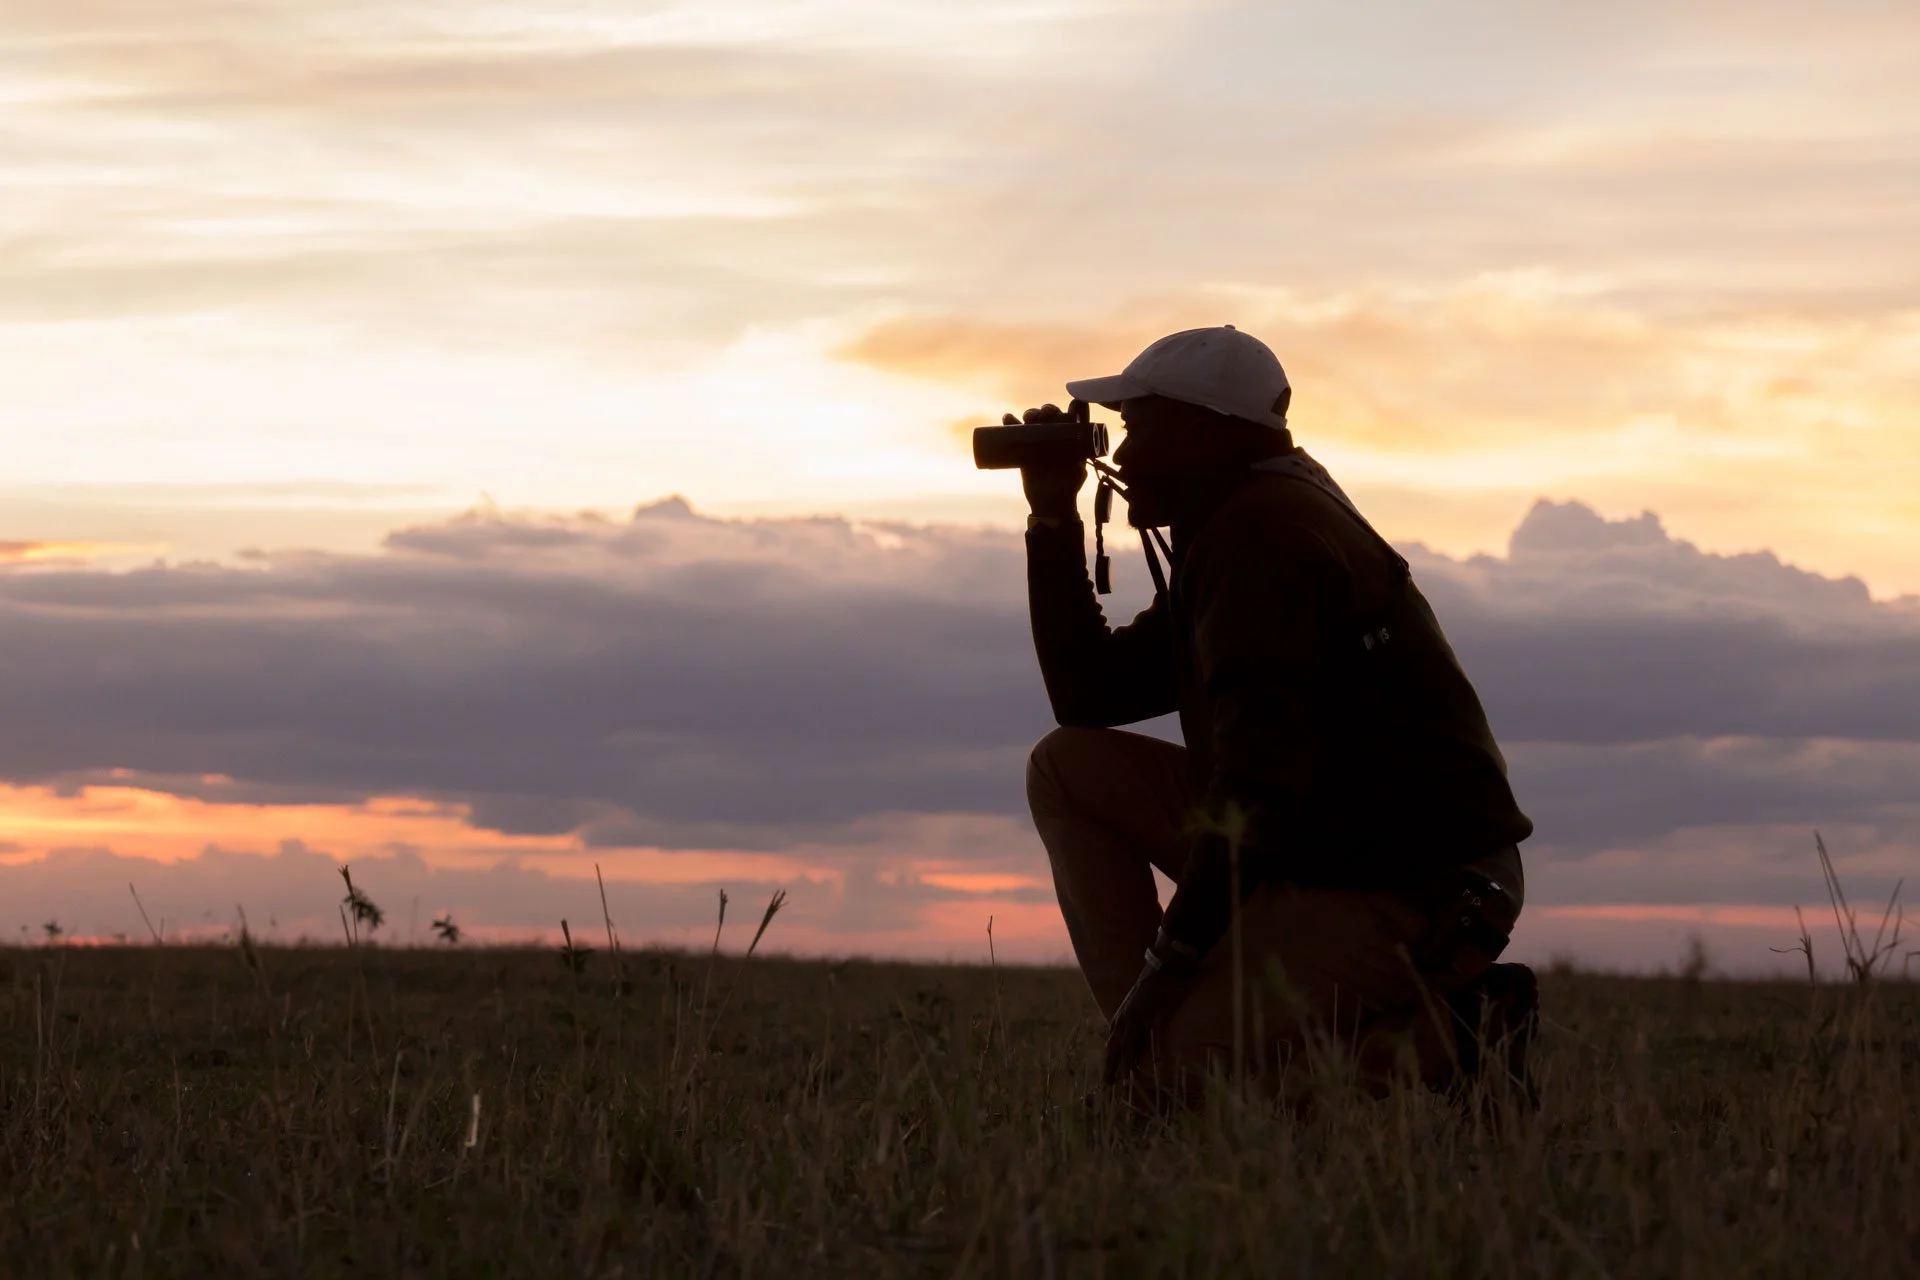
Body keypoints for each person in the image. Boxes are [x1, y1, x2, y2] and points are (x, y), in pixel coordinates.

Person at [1015, 325, 1537, 1105]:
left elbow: (1257, 786)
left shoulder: (1265, 538)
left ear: (1202, 434)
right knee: (1069, 765)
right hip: (1326, 844)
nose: (1120, 460)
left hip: (1410, 884)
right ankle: (1144, 1043)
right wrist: (1052, 521)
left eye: (1137, 430)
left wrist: (1171, 959)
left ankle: (1454, 1043)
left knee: (1176, 1085)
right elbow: (1092, 696)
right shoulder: (1241, 517)